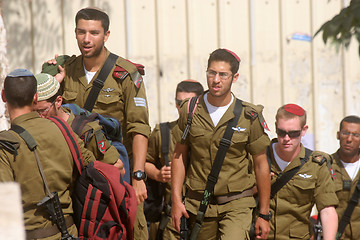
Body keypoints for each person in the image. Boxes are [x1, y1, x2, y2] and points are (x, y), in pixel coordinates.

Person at [44, 7, 151, 238]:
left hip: (114, 170)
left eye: (94, 33)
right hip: (74, 171)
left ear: (106, 35)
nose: (86, 39)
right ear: (74, 32)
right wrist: (52, 79)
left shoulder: (126, 74)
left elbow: (139, 128)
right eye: (81, 32)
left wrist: (139, 176)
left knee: (127, 228)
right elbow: (43, 110)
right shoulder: (65, 69)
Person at [171, 48, 271, 239]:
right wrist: (176, 200)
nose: (216, 80)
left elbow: (261, 164)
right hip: (199, 204)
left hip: (237, 203)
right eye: (212, 73)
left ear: (235, 77)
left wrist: (264, 214)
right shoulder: (190, 110)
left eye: (223, 74)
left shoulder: (248, 116)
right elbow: (179, 156)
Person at [0, 69, 96, 239]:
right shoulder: (62, 129)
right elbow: (91, 167)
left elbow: (5, 210)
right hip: (70, 233)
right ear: (35, 97)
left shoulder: (5, 145)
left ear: (3, 96)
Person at [267, 104, 338, 239]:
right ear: (275, 126)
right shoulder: (260, 157)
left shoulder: (316, 164)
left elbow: (327, 210)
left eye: (293, 133)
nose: (286, 138)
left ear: (304, 130)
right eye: (281, 132)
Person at [33, 72, 124, 175]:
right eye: (33, 111)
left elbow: (119, 168)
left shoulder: (85, 131)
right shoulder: (33, 129)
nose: (38, 116)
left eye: (42, 110)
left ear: (58, 102)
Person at [145, 80, 204, 240]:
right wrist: (157, 174)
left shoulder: (213, 134)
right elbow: (143, 163)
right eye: (179, 102)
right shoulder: (163, 133)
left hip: (206, 216)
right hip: (172, 219)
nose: (181, 107)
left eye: (187, 103)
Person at [331, 115, 360, 239]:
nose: (349, 139)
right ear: (338, 135)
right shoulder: (325, 166)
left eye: (355, 135)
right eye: (345, 133)